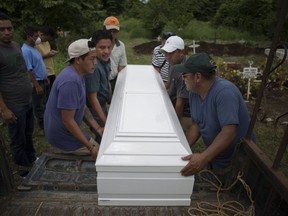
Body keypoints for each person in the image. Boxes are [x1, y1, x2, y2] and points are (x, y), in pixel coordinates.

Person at [176, 53, 256, 180]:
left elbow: (229, 131)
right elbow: (196, 125)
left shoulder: (224, 92)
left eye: (184, 75)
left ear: (197, 77)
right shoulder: (194, 93)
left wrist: (203, 158)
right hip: (217, 158)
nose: (183, 79)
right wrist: (180, 149)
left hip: (237, 161)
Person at [44, 39, 103, 160]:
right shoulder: (70, 81)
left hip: (67, 132)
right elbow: (68, 121)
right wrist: (90, 147)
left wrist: (98, 129)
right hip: (62, 137)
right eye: (92, 59)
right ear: (78, 60)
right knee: (101, 155)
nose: (95, 63)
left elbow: (82, 106)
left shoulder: (79, 75)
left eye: (95, 58)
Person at [0, 12, 37, 177]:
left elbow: (22, 69)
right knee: (17, 139)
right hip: (13, 105)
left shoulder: (15, 45)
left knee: (28, 133)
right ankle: (23, 171)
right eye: (2, 29)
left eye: (9, 28)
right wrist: (4, 110)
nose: (7, 32)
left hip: (27, 101)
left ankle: (32, 161)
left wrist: (30, 84)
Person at [85, 29, 113, 143]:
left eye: (109, 47)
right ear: (94, 47)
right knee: (104, 134)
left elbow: (107, 81)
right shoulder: (94, 67)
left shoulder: (106, 60)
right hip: (95, 107)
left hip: (102, 103)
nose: (106, 51)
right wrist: (106, 122)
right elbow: (92, 98)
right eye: (101, 47)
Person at [160, 35, 191, 133]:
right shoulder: (172, 62)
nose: (167, 56)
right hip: (173, 102)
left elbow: (180, 103)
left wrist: (172, 125)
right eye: (166, 53)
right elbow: (168, 84)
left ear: (181, 52)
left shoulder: (185, 72)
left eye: (171, 53)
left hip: (186, 113)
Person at [21, 26, 49, 130]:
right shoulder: (25, 51)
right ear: (29, 37)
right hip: (37, 82)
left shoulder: (33, 48)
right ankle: (43, 126)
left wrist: (45, 77)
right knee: (39, 106)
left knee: (44, 103)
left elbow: (38, 64)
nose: (38, 38)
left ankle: (47, 123)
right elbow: (29, 70)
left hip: (43, 80)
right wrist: (36, 86)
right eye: (36, 36)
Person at [103, 16, 127, 94]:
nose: (112, 33)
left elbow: (122, 66)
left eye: (115, 31)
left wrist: (120, 83)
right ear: (104, 29)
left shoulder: (121, 45)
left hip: (113, 80)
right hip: (98, 80)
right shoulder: (94, 42)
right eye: (110, 30)